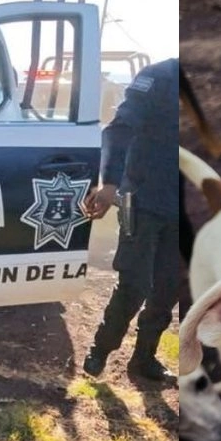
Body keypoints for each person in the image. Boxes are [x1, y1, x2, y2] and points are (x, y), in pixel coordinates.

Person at [81, 57, 180, 381]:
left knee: (167, 288)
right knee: (134, 284)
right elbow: (119, 129)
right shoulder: (158, 77)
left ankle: (144, 360)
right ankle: (100, 350)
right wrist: (109, 183)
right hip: (142, 200)